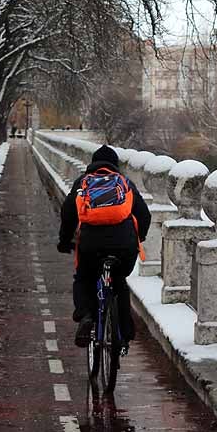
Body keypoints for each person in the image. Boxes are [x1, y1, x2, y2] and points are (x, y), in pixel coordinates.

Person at [57, 145, 151, 348]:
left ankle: (86, 315)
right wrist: (138, 239)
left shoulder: (82, 183)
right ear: (115, 165)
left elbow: (68, 214)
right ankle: (125, 332)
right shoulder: (125, 183)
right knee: (119, 280)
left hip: (91, 245)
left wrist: (64, 241)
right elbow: (144, 215)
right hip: (125, 247)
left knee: (83, 278)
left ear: (92, 163)